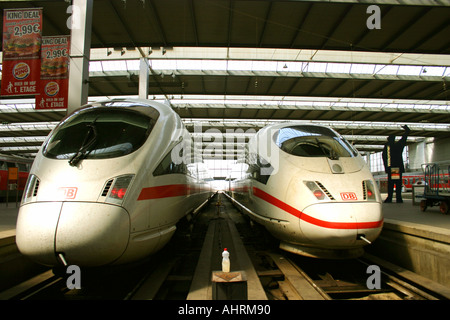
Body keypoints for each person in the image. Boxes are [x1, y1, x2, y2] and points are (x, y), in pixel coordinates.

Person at [382, 125, 410, 203]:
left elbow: (385, 158)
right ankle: (398, 198)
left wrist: (387, 167)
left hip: (392, 168)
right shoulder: (398, 145)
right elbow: (404, 138)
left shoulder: (388, 147)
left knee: (391, 184)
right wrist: (407, 131)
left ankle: (390, 198)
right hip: (397, 168)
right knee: (398, 183)